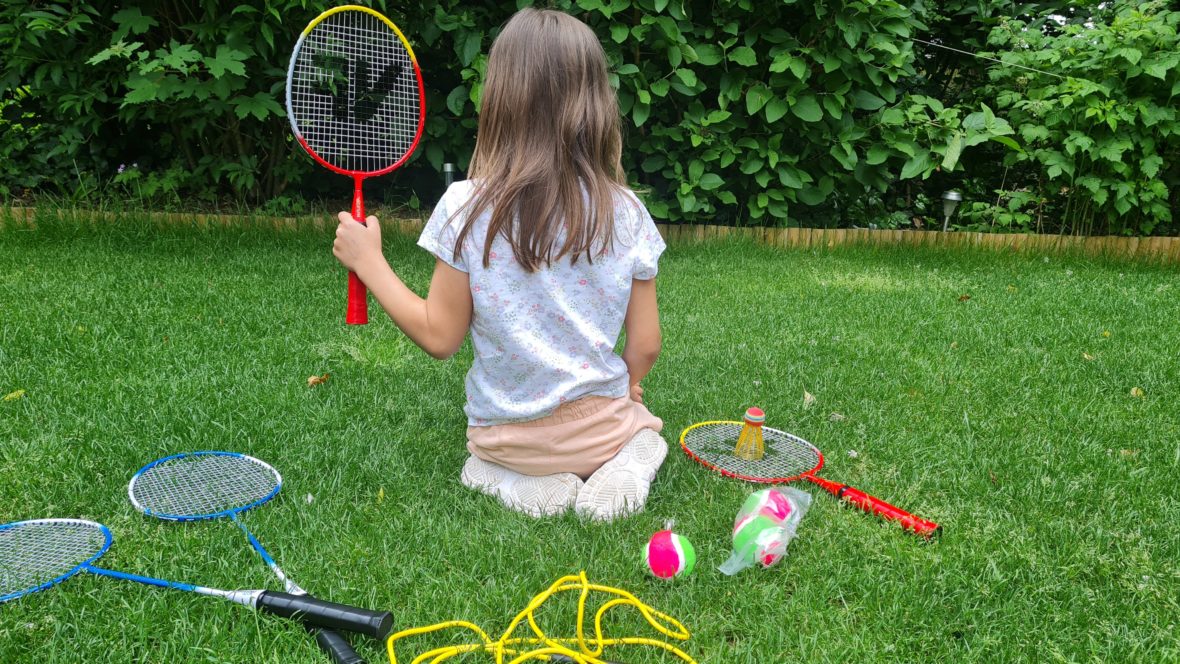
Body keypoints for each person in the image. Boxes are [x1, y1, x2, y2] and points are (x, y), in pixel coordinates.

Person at [331, 7, 667, 521]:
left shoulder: (464, 207)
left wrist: (369, 261)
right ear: (597, 103)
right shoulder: (627, 211)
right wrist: (629, 382)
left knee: (479, 462)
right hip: (604, 433)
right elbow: (645, 344)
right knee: (645, 430)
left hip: (506, 440)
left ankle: (507, 480)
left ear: (501, 99)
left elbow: (439, 337)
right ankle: (628, 465)